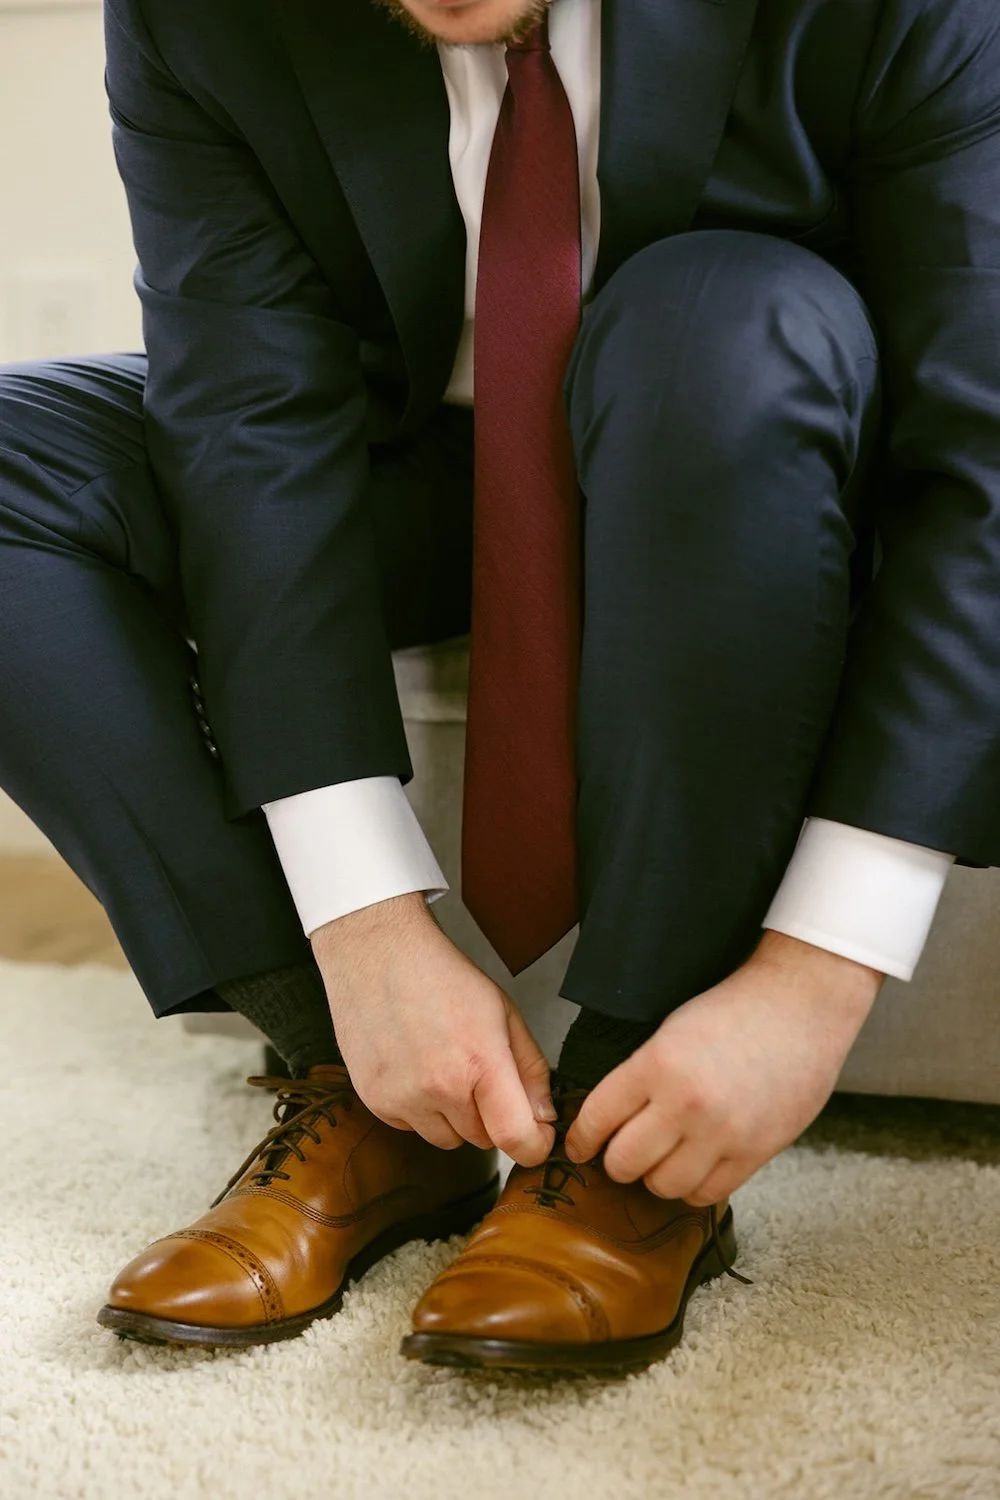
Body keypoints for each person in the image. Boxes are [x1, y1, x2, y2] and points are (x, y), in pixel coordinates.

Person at [0, 0, 997, 1374]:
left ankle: (627, 1138)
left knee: (715, 313)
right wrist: (364, 934)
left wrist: (811, 979)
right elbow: (247, 423)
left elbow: (986, 467)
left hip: (754, 452)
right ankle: (360, 1093)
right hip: (424, 461)